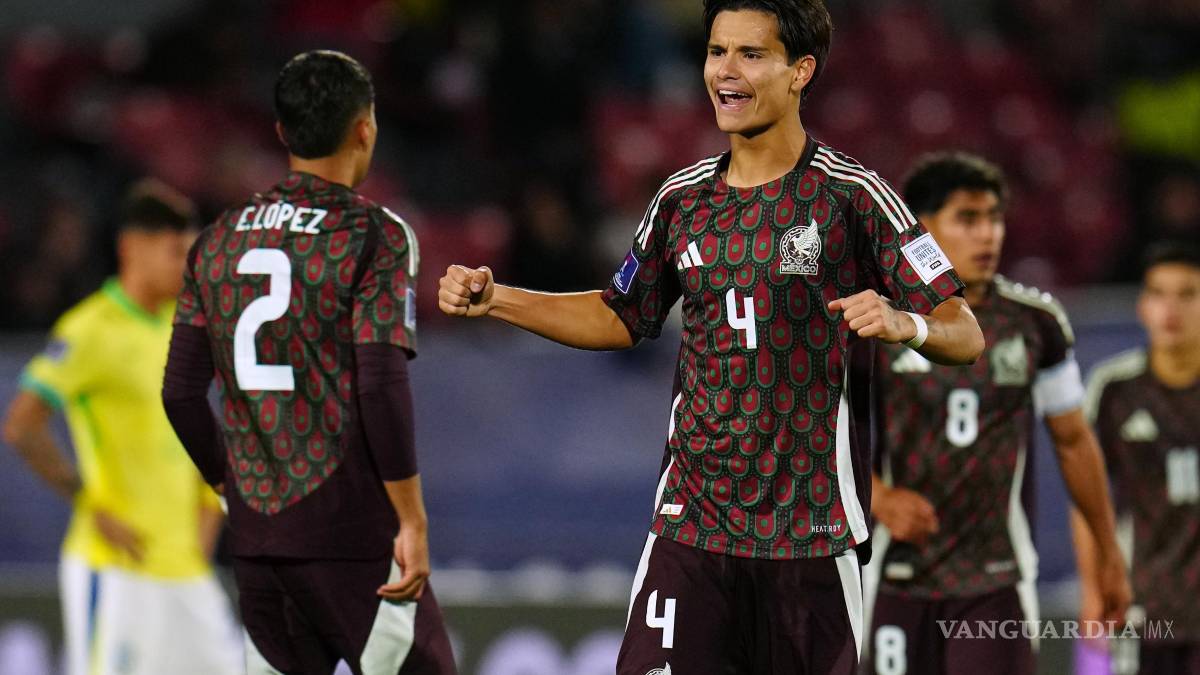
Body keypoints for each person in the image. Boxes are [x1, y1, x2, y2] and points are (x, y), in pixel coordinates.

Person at [438, 1, 985, 672]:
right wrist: (499, 299)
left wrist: (907, 323)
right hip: (692, 528)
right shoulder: (681, 200)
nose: (725, 70)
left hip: (810, 538)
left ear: (800, 71)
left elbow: (964, 331)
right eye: (716, 51)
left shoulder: (854, 196)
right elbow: (620, 315)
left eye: (750, 54)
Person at [161, 50, 455, 674]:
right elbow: (380, 384)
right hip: (352, 536)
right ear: (364, 129)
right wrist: (410, 517)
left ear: (281, 132)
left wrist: (230, 484)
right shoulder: (373, 234)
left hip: (260, 546)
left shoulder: (217, 239)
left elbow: (180, 395)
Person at [863, 152, 1131, 675]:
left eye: (994, 218)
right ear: (923, 229)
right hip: (894, 573)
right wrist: (881, 497)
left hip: (995, 580)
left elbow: (1074, 442)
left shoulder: (1035, 323)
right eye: (968, 218)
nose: (987, 234)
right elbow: (815, 432)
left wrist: (1107, 554)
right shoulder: (883, 321)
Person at [1, 180, 241, 675]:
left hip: (188, 568)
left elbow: (201, 424)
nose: (187, 267)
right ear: (132, 247)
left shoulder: (187, 326)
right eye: (176, 253)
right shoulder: (91, 329)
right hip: (118, 569)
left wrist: (208, 513)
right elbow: (23, 425)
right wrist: (88, 502)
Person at [1074, 242, 1200, 675]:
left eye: (1187, 294)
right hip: (1142, 602)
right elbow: (1089, 498)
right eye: (1159, 294)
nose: (1171, 309)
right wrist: (1093, 590)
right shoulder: (1115, 388)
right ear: (1142, 305)